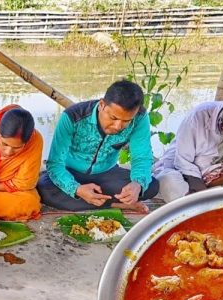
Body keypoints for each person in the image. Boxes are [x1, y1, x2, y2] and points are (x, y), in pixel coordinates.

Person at [37, 79, 159, 213]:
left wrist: (137, 185)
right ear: (102, 105)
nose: (118, 126)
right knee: (43, 188)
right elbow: (55, 164)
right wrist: (76, 189)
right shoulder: (73, 116)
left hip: (107, 174)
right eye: (113, 118)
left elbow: (142, 157)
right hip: (70, 172)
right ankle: (115, 204)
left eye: (126, 121)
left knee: (151, 186)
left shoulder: (140, 118)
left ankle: (97, 201)